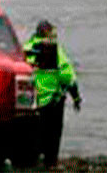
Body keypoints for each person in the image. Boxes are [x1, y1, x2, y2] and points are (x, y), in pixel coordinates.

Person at [23, 20, 82, 167]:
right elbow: (67, 75)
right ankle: (50, 163)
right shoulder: (54, 50)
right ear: (48, 33)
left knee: (32, 134)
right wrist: (76, 97)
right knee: (53, 135)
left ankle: (30, 161)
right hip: (52, 100)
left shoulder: (26, 49)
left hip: (30, 101)